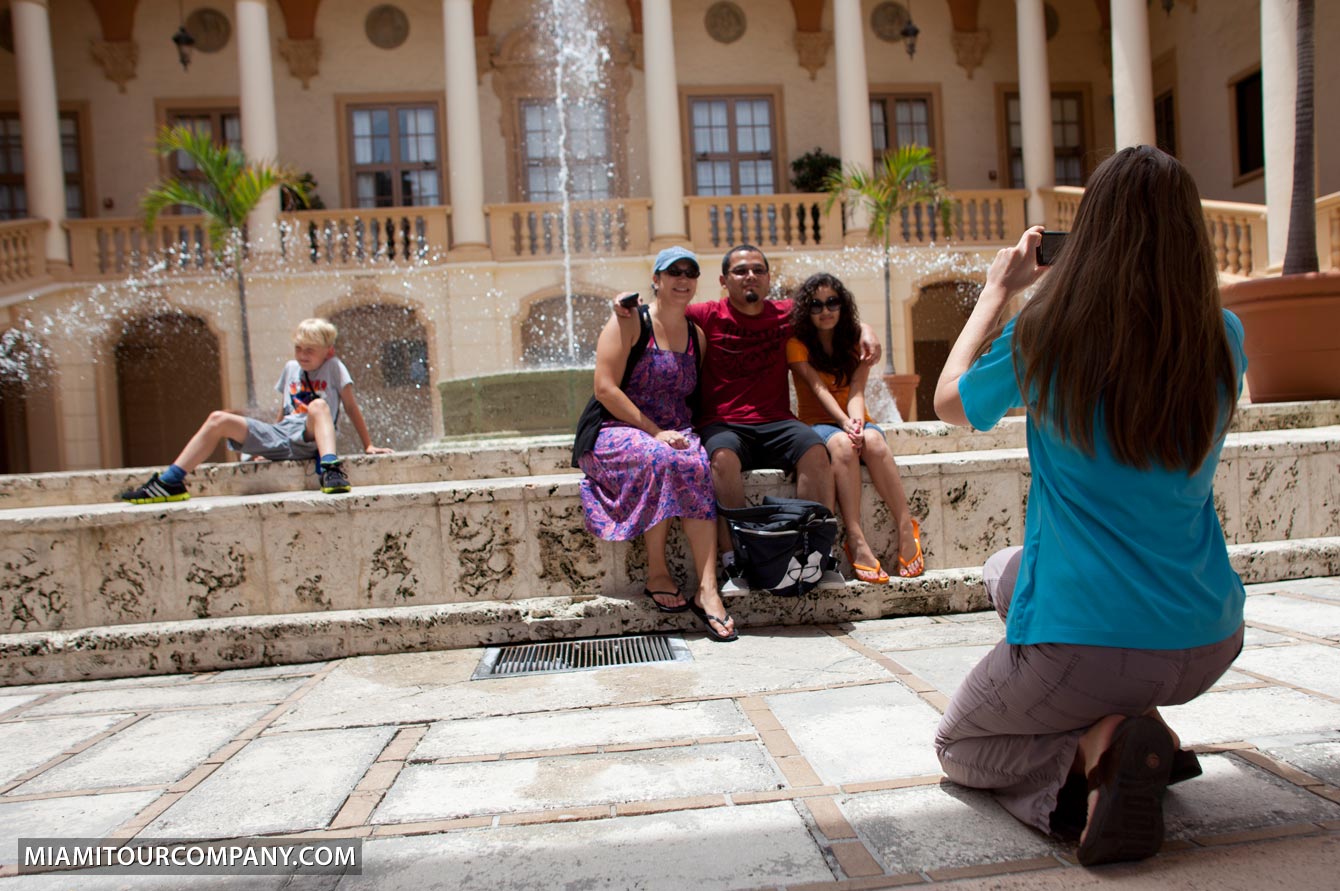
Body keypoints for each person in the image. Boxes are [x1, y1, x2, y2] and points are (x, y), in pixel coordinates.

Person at [931, 146, 1247, 867]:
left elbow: (951, 401)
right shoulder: (1226, 337)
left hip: (1090, 642)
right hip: (1207, 636)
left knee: (961, 745)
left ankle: (1096, 749)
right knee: (1002, 569)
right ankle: (1139, 729)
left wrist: (997, 289)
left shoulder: (1049, 332)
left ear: (1094, 233)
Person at [669, 245, 879, 583]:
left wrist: (865, 328)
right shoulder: (707, 314)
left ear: (768, 278)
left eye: (757, 269)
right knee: (721, 460)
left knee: (815, 451)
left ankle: (814, 555)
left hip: (777, 421)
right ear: (724, 280)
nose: (750, 275)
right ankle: (735, 558)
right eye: (740, 271)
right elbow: (663, 311)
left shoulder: (786, 314)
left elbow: (831, 314)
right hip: (724, 423)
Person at [579, 247, 736, 642]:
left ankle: (707, 589)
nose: (682, 279)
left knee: (697, 465)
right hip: (617, 429)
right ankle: (656, 572)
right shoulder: (630, 321)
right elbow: (604, 389)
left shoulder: (695, 336)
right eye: (673, 272)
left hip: (673, 429)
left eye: (690, 272)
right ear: (657, 279)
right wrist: (654, 431)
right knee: (662, 457)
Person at [117, 317, 393, 503]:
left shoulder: (334, 367)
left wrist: (368, 445)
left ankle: (331, 468)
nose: (302, 355)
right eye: (298, 348)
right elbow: (283, 411)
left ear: (328, 352)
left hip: (311, 438)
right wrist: (263, 446)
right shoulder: (290, 368)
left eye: (310, 350)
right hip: (282, 433)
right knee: (218, 418)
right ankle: (170, 482)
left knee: (318, 405)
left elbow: (351, 407)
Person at [787, 272, 923, 583]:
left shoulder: (855, 344)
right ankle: (856, 538)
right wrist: (844, 423)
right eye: (816, 304)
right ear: (806, 310)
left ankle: (905, 526)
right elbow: (818, 388)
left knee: (874, 443)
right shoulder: (797, 344)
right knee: (842, 445)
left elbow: (857, 390)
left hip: (852, 415)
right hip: (818, 422)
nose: (825, 310)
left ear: (843, 305)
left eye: (832, 302)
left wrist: (857, 420)